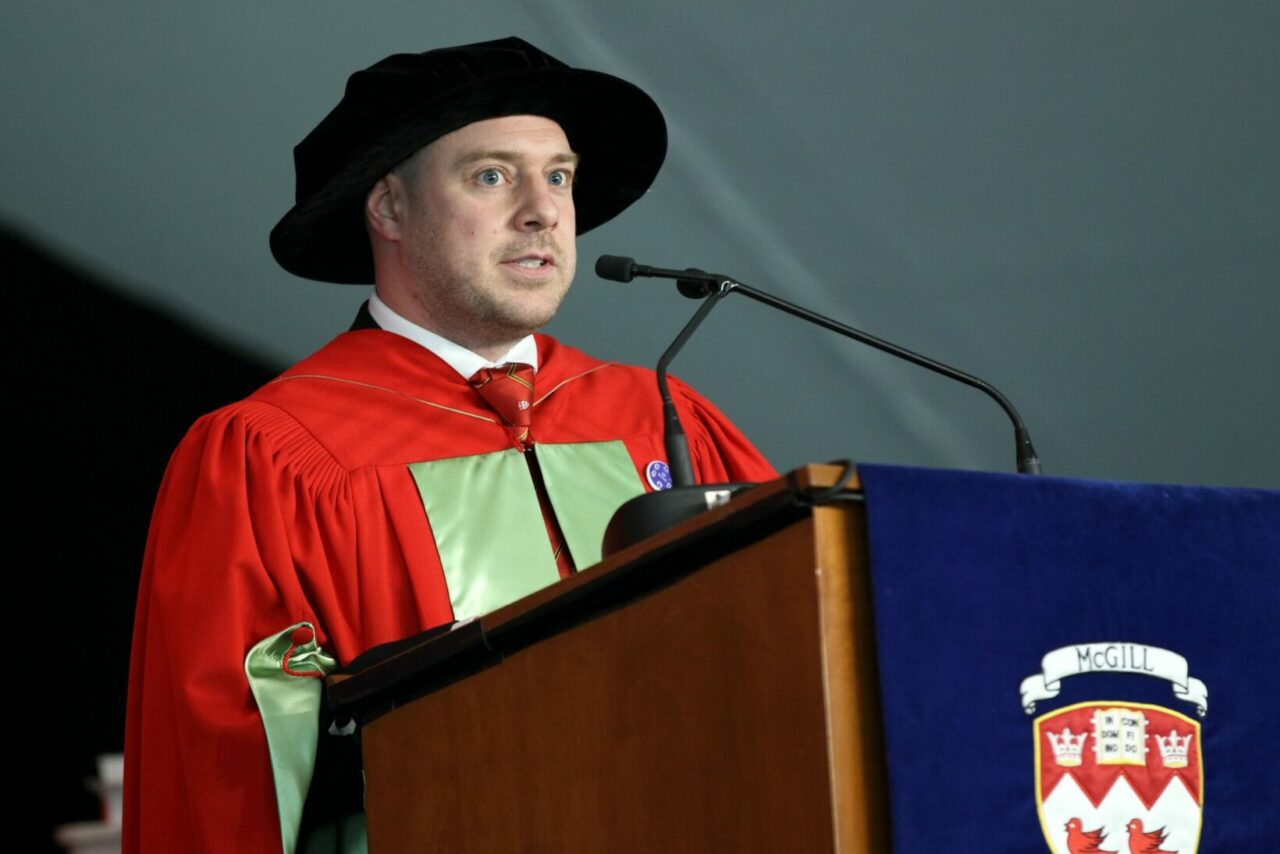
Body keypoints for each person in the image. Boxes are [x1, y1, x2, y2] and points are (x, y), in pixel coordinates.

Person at [123, 37, 774, 853]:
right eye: (492, 175)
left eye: (559, 175)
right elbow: (229, 776)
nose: (542, 209)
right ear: (389, 209)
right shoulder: (274, 453)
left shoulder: (661, 414)